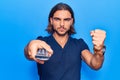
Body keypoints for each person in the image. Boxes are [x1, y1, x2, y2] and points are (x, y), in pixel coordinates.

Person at [24, 2, 106, 80]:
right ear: (51, 20)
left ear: (71, 21)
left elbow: (95, 64)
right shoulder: (42, 42)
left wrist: (99, 51)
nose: (62, 24)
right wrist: (30, 45)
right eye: (57, 19)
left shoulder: (79, 44)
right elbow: (29, 53)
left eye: (66, 20)